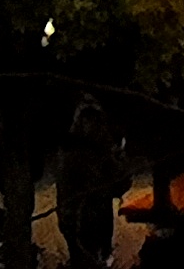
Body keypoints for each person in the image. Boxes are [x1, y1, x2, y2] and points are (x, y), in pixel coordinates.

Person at [57, 114, 125, 269]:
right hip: (90, 217)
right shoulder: (93, 153)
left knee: (84, 255)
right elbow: (119, 185)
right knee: (91, 255)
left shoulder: (68, 150)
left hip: (75, 218)